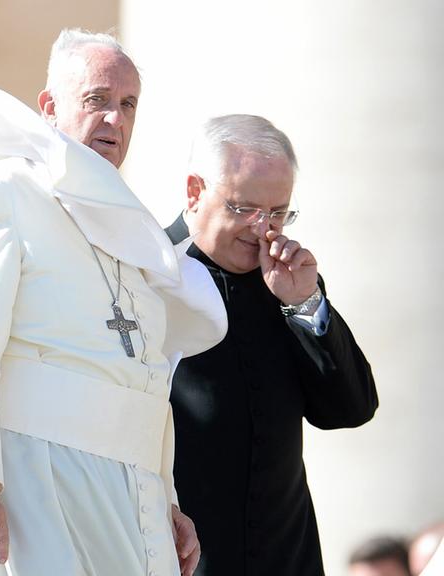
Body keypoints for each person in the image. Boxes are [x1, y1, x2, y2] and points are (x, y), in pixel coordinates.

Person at [0, 29, 227, 576]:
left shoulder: (131, 226)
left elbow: (142, 378)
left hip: (127, 495)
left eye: (127, 104)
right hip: (29, 484)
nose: (114, 119)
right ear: (49, 107)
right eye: (97, 100)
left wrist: (165, 498)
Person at [165, 114, 378, 575]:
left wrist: (305, 302)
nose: (264, 230)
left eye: (278, 212)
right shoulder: (148, 276)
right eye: (244, 208)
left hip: (288, 559)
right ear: (194, 191)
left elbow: (351, 408)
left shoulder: (288, 281)